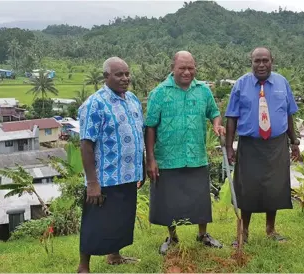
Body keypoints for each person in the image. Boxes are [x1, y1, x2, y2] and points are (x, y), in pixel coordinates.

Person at [145, 51, 226, 255]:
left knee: (199, 199)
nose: (187, 72)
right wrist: (151, 158)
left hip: (196, 156)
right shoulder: (159, 93)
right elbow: (150, 127)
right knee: (168, 200)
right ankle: (172, 238)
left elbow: (214, 113)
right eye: (182, 68)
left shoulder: (203, 91)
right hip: (167, 158)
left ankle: (203, 234)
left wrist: (217, 125)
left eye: (191, 67)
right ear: (173, 67)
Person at [224, 47, 300, 247]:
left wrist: (294, 142)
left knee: (275, 188)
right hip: (250, 145)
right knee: (247, 189)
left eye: (265, 60)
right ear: (251, 62)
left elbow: (289, 114)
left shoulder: (282, 83)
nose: (261, 65)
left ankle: (270, 229)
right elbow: (231, 117)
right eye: (257, 61)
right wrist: (229, 147)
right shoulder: (241, 85)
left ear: (272, 61)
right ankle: (244, 232)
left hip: (276, 145)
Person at [77, 57, 145, 273]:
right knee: (94, 221)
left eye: (127, 74)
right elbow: (86, 145)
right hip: (105, 176)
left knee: (121, 219)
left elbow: (137, 135)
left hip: (128, 174)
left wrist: (141, 168)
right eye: (119, 75)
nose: (125, 79)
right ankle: (83, 266)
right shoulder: (94, 104)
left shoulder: (132, 99)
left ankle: (114, 256)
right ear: (106, 77)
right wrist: (92, 182)